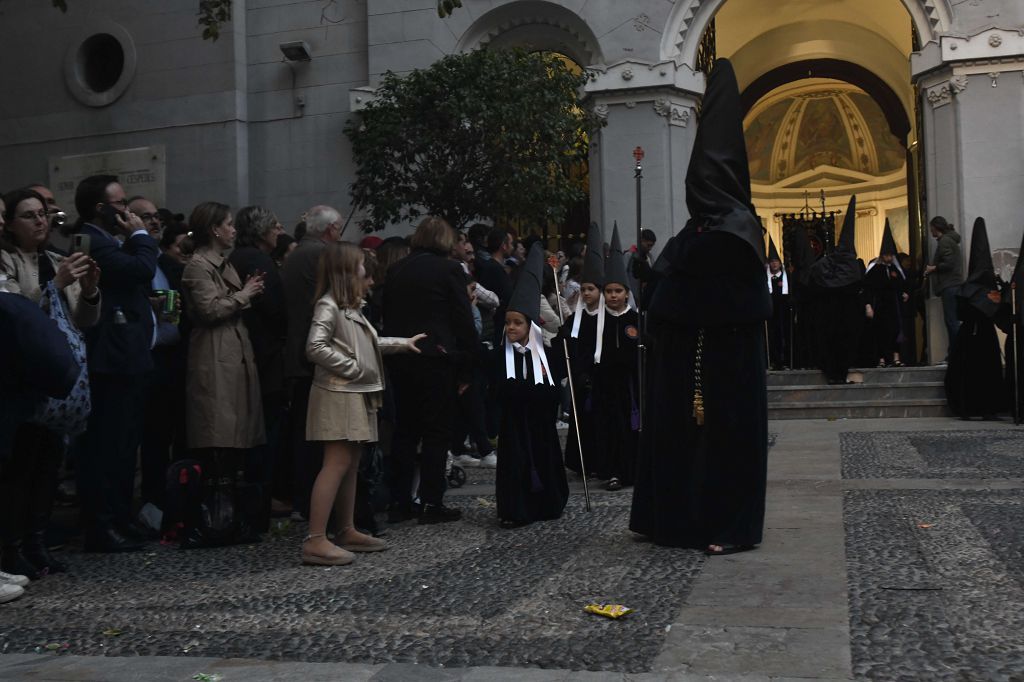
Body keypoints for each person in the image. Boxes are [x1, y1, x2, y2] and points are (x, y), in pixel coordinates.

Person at [630, 59, 771, 554]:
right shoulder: (700, 229)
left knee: (726, 444)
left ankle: (728, 526)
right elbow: (668, 283)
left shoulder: (735, 228)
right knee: (679, 441)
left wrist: (671, 281)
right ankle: (673, 520)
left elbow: (701, 283)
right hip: (684, 357)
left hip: (725, 362)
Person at [301, 241, 423, 565]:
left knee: (350, 465)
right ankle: (316, 539)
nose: (368, 276)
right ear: (345, 271)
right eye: (361, 268)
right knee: (337, 464)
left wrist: (402, 343)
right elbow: (314, 347)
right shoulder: (329, 305)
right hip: (340, 393)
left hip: (352, 393)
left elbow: (366, 343)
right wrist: (352, 368)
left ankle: (345, 529)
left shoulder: (347, 307)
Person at [0, 188, 101, 577]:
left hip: (58, 380)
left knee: (47, 466)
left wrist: (90, 289)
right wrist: (55, 286)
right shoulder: (8, 260)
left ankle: (36, 543)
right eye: (29, 215)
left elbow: (83, 321)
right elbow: (16, 316)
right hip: (23, 377)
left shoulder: (59, 259)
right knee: (20, 468)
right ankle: (12, 548)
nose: (41, 221)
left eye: (43, 214)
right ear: (11, 224)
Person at [75, 174, 159, 553]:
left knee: (126, 446)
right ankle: (103, 524)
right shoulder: (92, 242)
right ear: (100, 208)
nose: (126, 210)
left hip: (128, 355)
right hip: (111, 359)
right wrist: (141, 235)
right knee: (108, 446)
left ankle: (121, 518)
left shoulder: (110, 241)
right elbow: (139, 269)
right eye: (121, 203)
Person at [382, 216, 477, 524]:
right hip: (437, 359)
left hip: (402, 356)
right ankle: (431, 501)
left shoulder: (397, 269)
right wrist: (468, 364)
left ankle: (400, 500)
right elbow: (462, 319)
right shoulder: (449, 270)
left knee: (406, 431)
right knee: (437, 432)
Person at [180, 202, 266, 530]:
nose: (233, 229)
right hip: (214, 355)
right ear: (215, 229)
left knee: (234, 434)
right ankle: (218, 516)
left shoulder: (221, 263)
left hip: (232, 352)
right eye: (228, 224)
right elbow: (210, 310)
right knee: (218, 431)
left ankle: (231, 513)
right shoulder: (198, 266)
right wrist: (245, 294)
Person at [494, 243, 568, 528]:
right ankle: (515, 508)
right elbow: (499, 390)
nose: (511, 328)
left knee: (544, 457)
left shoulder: (544, 356)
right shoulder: (502, 356)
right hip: (513, 426)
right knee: (515, 464)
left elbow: (553, 393)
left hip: (540, 425)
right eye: (508, 323)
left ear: (530, 328)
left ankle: (547, 503)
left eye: (517, 324)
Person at [281, 205, 342, 518]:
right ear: (331, 230)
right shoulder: (322, 256)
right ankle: (316, 506)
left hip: (298, 352)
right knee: (319, 436)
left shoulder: (295, 255)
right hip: (318, 355)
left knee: (304, 432)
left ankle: (304, 500)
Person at [590, 225, 639, 492]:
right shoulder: (598, 319)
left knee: (628, 429)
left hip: (628, 387)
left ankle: (631, 468)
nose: (613, 296)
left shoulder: (633, 320)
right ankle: (612, 471)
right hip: (606, 385)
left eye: (618, 291)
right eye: (609, 291)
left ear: (626, 293)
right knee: (609, 428)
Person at [944, 217, 1006, 419]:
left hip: (975, 335)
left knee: (979, 372)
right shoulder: (974, 289)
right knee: (980, 371)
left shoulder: (970, 289)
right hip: (977, 334)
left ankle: (979, 408)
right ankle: (979, 408)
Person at [559, 221, 605, 476]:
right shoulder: (578, 315)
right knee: (583, 420)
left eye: (591, 289)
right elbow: (571, 342)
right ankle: (582, 461)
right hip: (582, 376)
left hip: (600, 377)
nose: (586, 294)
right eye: (584, 289)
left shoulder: (605, 316)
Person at [808, 196, 865, 384]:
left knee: (832, 342)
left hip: (830, 315)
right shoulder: (851, 267)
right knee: (842, 342)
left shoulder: (826, 265)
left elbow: (815, 278)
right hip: (844, 316)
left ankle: (833, 372)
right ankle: (838, 371)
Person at [863, 221, 908, 368]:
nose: (889, 258)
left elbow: (901, 283)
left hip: (894, 305)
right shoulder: (874, 268)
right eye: (886, 255)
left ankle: (896, 357)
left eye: (890, 255)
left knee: (896, 330)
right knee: (880, 331)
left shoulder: (895, 268)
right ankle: (881, 358)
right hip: (880, 304)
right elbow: (868, 287)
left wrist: (904, 293)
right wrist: (868, 305)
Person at [923, 216, 964, 360]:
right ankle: (955, 352)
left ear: (935, 227)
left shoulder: (945, 242)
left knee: (951, 321)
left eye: (931, 228)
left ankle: (956, 354)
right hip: (953, 285)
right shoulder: (948, 240)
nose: (930, 231)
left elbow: (949, 263)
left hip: (949, 285)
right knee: (952, 321)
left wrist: (933, 268)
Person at [765, 236, 790, 370]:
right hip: (770, 312)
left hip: (784, 312)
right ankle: (774, 361)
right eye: (772, 262)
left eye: (776, 262)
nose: (774, 264)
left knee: (784, 335)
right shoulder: (765, 278)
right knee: (772, 336)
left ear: (780, 264)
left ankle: (784, 360)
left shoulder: (787, 278)